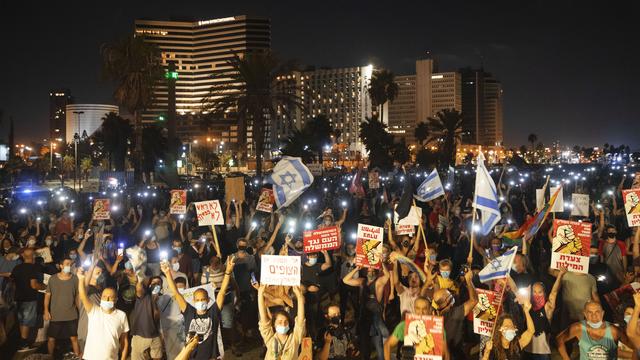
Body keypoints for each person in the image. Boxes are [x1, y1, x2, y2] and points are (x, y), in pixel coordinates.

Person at [161, 254, 236, 359]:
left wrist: (228, 272)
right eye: (198, 300)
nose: (200, 302)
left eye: (203, 299)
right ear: (194, 301)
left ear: (208, 300)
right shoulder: (189, 312)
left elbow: (222, 292)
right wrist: (167, 273)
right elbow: (176, 292)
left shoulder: (213, 312)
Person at [77, 267, 130, 360]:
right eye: (104, 296)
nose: (107, 299)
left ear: (116, 300)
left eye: (110, 297)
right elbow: (82, 295)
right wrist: (81, 279)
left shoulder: (122, 315)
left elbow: (124, 342)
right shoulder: (94, 311)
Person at [431, 266, 477, 360]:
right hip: (454, 355)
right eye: (450, 295)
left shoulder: (435, 314)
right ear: (446, 301)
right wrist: (469, 280)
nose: (452, 295)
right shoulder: (453, 314)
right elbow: (474, 300)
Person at [556, 300, 627, 360]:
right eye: (590, 312)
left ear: (602, 313)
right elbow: (559, 339)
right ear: (585, 314)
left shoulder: (613, 330)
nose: (594, 316)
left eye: (597, 312)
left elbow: (634, 345)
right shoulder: (578, 328)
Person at [523, 267, 566, 359]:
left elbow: (554, 292)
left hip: (542, 353)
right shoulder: (527, 306)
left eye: (540, 292)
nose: (537, 295)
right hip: (526, 350)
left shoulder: (547, 308)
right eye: (534, 292)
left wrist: (560, 276)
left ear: (544, 293)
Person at [258, 284, 306, 360]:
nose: (283, 324)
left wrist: (299, 296)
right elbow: (264, 321)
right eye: (279, 322)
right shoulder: (270, 339)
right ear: (274, 324)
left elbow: (300, 322)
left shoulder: (294, 339)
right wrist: (260, 293)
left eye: (286, 322)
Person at [11, 247, 46, 351]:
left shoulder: (17, 268)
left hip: (18, 298)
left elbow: (12, 282)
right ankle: (24, 344)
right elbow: (34, 285)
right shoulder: (32, 268)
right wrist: (44, 286)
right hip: (29, 298)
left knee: (22, 321)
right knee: (27, 322)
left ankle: (23, 342)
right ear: (33, 257)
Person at [44, 257, 80, 357]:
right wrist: (46, 310)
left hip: (71, 314)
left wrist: (80, 310)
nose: (69, 266)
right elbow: (47, 295)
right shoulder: (53, 279)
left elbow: (77, 296)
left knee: (74, 338)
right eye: (67, 264)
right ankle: (49, 358)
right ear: (61, 266)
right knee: (51, 339)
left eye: (70, 264)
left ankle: (77, 357)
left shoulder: (75, 279)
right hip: (56, 314)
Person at [129, 275, 163, 360]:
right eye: (153, 283)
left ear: (161, 286)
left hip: (155, 335)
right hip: (141, 335)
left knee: (158, 357)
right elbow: (139, 290)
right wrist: (139, 281)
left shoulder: (163, 298)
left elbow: (158, 317)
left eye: (158, 283)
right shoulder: (144, 296)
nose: (156, 285)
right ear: (149, 285)